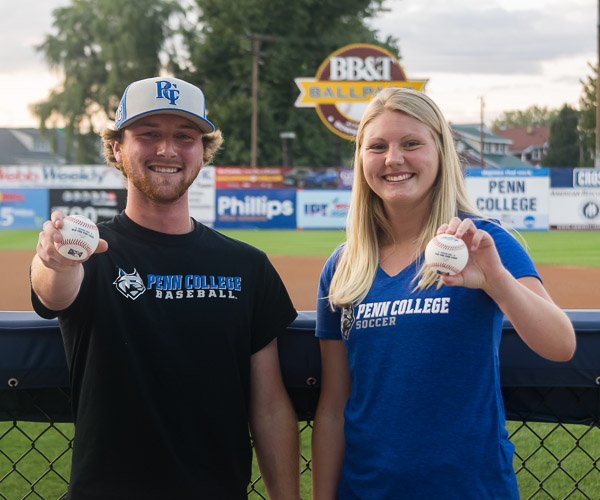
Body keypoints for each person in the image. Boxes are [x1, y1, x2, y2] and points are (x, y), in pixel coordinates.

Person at [30, 76, 300, 500]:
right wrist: (54, 259)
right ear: (117, 148)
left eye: (185, 136)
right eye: (148, 134)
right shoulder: (91, 253)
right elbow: (53, 290)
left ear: (204, 151)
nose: (167, 150)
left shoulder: (247, 266)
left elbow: (267, 406)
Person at [311, 87, 576, 500]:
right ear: (361, 158)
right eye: (376, 146)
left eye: (411, 143)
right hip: (364, 491)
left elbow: (561, 344)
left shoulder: (484, 241)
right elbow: (333, 407)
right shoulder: (344, 265)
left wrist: (495, 281)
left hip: (469, 488)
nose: (393, 159)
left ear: (441, 150)